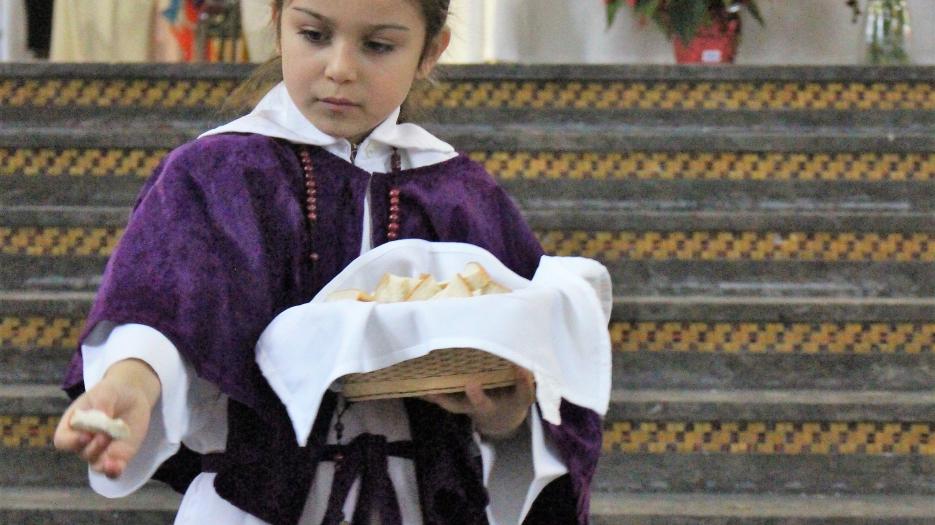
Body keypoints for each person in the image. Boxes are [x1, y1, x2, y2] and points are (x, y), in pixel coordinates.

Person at [53, 1, 605, 524]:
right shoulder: (218, 174)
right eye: (315, 35)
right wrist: (134, 378)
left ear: (431, 50)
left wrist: (503, 414)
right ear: (278, 22)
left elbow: (539, 379)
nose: (340, 68)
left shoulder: (462, 196)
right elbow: (164, 304)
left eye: (378, 45)